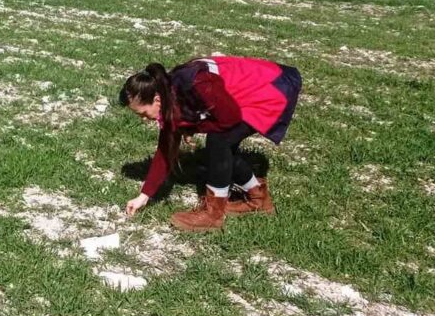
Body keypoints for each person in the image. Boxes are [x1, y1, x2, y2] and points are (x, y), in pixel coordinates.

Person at [120, 56, 301, 232]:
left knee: (219, 139)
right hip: (261, 86)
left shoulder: (196, 84)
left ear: (157, 99)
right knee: (222, 144)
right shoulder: (169, 95)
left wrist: (190, 127)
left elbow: (230, 118)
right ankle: (258, 198)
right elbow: (165, 151)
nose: (144, 119)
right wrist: (143, 197)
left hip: (274, 86)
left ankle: (213, 214)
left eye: (143, 113)